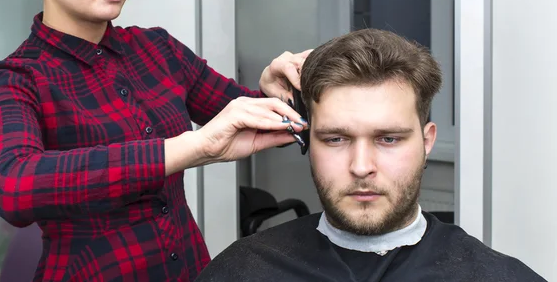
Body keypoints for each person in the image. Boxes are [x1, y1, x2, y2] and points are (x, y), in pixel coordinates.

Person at [0, 0, 310, 282]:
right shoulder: (14, 79)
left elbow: (245, 119)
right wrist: (189, 148)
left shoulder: (156, 50)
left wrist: (279, 97)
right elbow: (15, 185)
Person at [195, 29, 547, 282]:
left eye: (389, 139)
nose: (361, 167)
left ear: (427, 142)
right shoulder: (242, 271)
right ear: (305, 141)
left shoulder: (495, 275)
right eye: (335, 139)